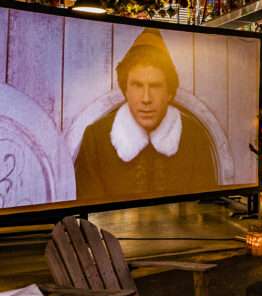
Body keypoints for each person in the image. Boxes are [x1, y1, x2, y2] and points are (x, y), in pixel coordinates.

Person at [74, 28, 219, 200]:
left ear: (170, 93)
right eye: (137, 85)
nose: (146, 98)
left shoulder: (194, 136)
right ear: (125, 89)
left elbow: (206, 207)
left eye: (155, 86)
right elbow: (88, 214)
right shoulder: (96, 138)